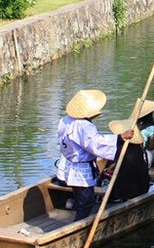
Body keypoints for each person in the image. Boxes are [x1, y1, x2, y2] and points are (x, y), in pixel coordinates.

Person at [55, 89, 134, 221]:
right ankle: (77, 226)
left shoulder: (64, 120)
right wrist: (120, 137)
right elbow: (96, 144)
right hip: (80, 168)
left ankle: (79, 221)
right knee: (86, 201)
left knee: (81, 198)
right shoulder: (83, 125)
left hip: (71, 165)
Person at [102, 99, 154, 201]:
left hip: (124, 175)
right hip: (140, 167)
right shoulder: (150, 128)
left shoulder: (132, 125)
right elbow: (151, 147)